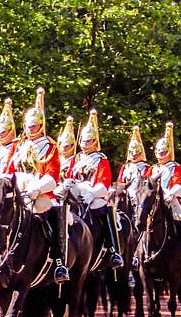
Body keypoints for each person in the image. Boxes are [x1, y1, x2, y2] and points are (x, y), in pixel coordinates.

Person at [12, 87, 67, 283]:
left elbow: (52, 176)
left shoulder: (50, 147)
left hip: (39, 193)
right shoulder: (18, 145)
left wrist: (37, 188)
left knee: (50, 214)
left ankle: (59, 261)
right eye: (28, 125)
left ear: (41, 125)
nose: (30, 129)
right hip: (18, 192)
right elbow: (10, 170)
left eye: (34, 126)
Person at [64, 109, 122, 269]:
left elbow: (104, 182)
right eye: (83, 140)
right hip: (76, 194)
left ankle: (112, 249)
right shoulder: (76, 159)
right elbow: (69, 176)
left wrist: (93, 193)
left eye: (88, 141)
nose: (85, 144)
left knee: (102, 208)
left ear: (95, 141)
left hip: (93, 194)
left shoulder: (101, 159)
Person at [145, 122, 181, 267]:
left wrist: (169, 193)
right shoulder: (152, 168)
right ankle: (138, 254)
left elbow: (178, 185)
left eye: (162, 152)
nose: (160, 155)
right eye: (158, 152)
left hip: (170, 201)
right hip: (153, 203)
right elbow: (145, 185)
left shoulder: (175, 167)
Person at [117, 125, 150, 210]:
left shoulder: (147, 168)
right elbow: (120, 183)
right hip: (125, 198)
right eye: (132, 153)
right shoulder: (125, 167)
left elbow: (148, 187)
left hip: (141, 200)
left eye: (136, 153)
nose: (134, 156)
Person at [56, 116, 77, 182]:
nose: (64, 148)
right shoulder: (56, 158)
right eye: (62, 146)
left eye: (66, 146)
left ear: (72, 146)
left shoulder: (75, 160)